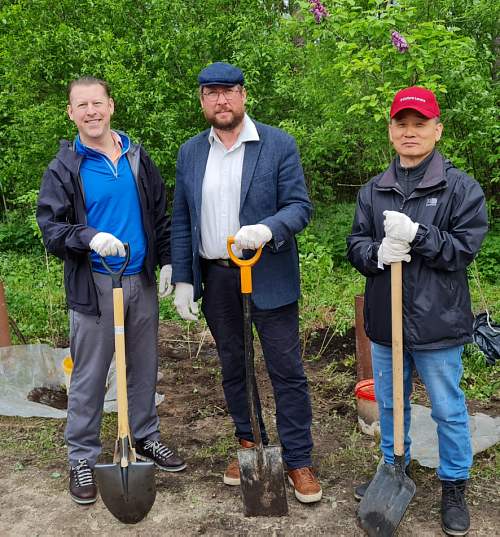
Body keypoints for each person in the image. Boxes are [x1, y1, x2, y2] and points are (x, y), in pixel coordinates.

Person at [166, 62, 322, 503]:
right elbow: (182, 219)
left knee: (285, 370)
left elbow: (299, 206)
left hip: (267, 273)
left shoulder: (276, 144)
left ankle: (297, 459)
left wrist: (268, 229)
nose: (221, 100)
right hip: (217, 279)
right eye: (211, 93)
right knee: (235, 366)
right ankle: (249, 443)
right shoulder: (191, 153)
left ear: (243, 95)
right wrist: (182, 277)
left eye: (228, 91)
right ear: (202, 101)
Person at [36, 77, 186, 506]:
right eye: (81, 105)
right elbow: (51, 228)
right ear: (71, 113)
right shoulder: (65, 167)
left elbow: (160, 214)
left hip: (138, 279)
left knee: (143, 366)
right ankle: (82, 457)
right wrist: (88, 237)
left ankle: (146, 436)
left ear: (111, 106)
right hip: (95, 287)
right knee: (89, 375)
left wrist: (170, 261)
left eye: (96, 103)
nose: (90, 112)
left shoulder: (138, 158)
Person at [347, 86, 488, 536]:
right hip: (387, 324)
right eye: (402, 124)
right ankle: (393, 468)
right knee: (391, 404)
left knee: (447, 408)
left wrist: (418, 235)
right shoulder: (373, 191)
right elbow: (355, 246)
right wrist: (376, 253)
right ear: (391, 130)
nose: (410, 132)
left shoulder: (460, 187)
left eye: (420, 124)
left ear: (437, 129)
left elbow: (464, 249)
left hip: (439, 323)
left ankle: (454, 484)